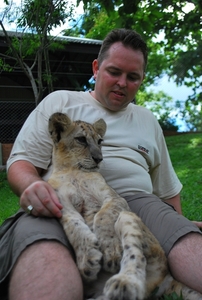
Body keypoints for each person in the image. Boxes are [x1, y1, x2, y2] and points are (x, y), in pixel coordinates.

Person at [0, 28, 202, 300]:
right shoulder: (61, 101)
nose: (122, 83)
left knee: (188, 245)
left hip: (136, 201)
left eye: (132, 77)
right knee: (43, 254)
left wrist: (177, 228)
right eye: (114, 72)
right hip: (61, 201)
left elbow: (167, 191)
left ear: (141, 80)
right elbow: (21, 161)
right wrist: (34, 186)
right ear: (96, 67)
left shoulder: (147, 120)